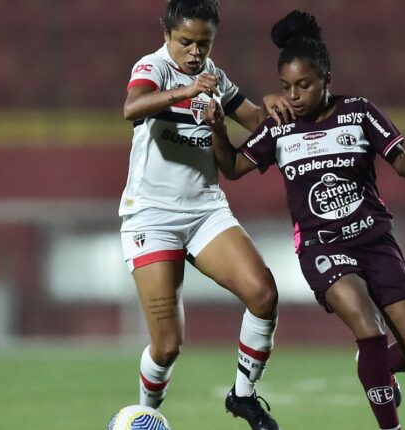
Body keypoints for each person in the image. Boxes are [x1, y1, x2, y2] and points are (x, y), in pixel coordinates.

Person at [203, 10, 405, 430]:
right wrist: (220, 130)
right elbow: (234, 168)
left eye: (304, 85)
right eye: (286, 87)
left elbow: (401, 164)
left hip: (375, 241)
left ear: (327, 78)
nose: (293, 96)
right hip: (323, 247)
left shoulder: (359, 112)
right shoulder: (280, 127)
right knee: (369, 328)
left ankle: (373, 368)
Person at [120, 1, 292, 429]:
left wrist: (276, 107)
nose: (195, 51)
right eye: (186, 42)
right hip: (152, 217)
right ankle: (146, 415)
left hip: (205, 211)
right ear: (167, 34)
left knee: (264, 294)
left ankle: (244, 395)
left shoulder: (216, 78)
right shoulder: (153, 68)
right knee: (167, 347)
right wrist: (186, 90)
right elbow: (132, 107)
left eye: (204, 42)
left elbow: (254, 120)